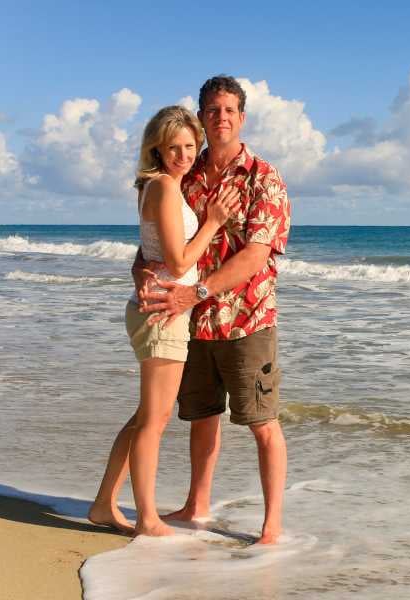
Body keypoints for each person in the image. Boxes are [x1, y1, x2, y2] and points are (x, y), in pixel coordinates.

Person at [138, 75, 292, 545]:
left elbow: (256, 254)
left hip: (247, 319)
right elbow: (161, 237)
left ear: (241, 118)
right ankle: (196, 504)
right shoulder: (187, 173)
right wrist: (140, 271)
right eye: (211, 110)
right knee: (201, 418)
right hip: (191, 323)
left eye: (229, 110)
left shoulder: (264, 177)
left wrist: (196, 292)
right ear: (202, 118)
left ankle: (271, 526)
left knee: (262, 423)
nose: (220, 117)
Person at [88, 105, 239, 536]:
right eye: (173, 147)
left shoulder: (157, 186)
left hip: (158, 308)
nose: (184, 155)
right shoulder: (165, 188)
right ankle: (147, 519)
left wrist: (142, 269)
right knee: (153, 422)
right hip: (163, 314)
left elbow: (151, 253)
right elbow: (177, 259)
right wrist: (212, 223)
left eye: (190, 146)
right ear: (157, 148)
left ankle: (103, 504)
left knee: (144, 418)